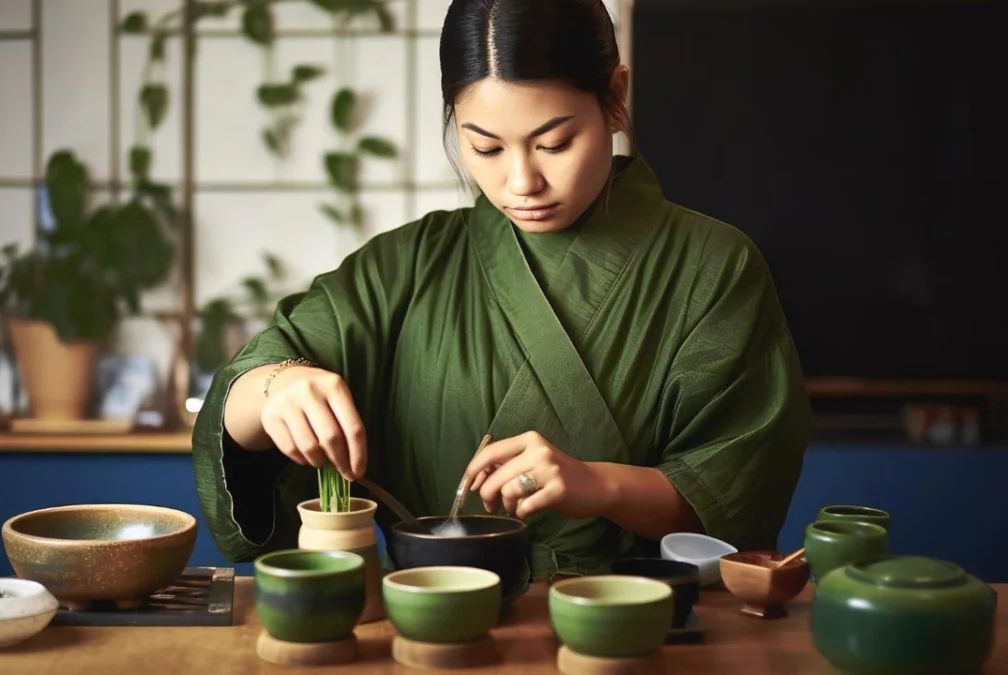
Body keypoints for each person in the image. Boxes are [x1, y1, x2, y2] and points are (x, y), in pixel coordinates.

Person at [192, 0, 811, 580]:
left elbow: (735, 493)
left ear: (615, 98)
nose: (522, 182)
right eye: (484, 147)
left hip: (632, 626)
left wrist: (599, 486)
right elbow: (252, 384)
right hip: (428, 624)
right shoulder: (402, 268)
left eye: (553, 143)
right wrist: (275, 388)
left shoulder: (713, 267)